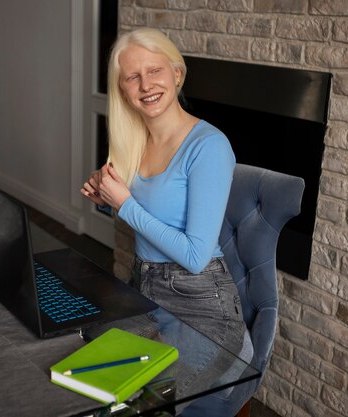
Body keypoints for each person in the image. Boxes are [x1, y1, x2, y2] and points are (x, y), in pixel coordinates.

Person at [81, 28, 252, 415]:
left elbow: (194, 256)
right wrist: (106, 197)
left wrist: (124, 205)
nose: (146, 85)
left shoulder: (208, 146)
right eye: (132, 77)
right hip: (145, 290)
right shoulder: (134, 138)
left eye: (155, 70)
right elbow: (152, 212)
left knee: (144, 405)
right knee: (89, 374)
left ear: (177, 72)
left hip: (204, 308)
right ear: (123, 89)